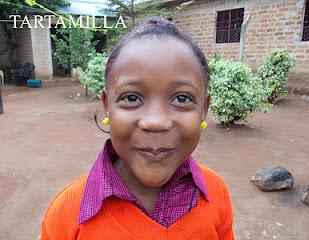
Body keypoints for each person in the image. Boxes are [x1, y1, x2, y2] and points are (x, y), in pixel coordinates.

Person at [41, 16, 234, 240]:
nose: (156, 122)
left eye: (182, 98)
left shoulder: (216, 193)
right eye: (131, 97)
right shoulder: (66, 213)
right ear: (107, 106)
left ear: (204, 108)